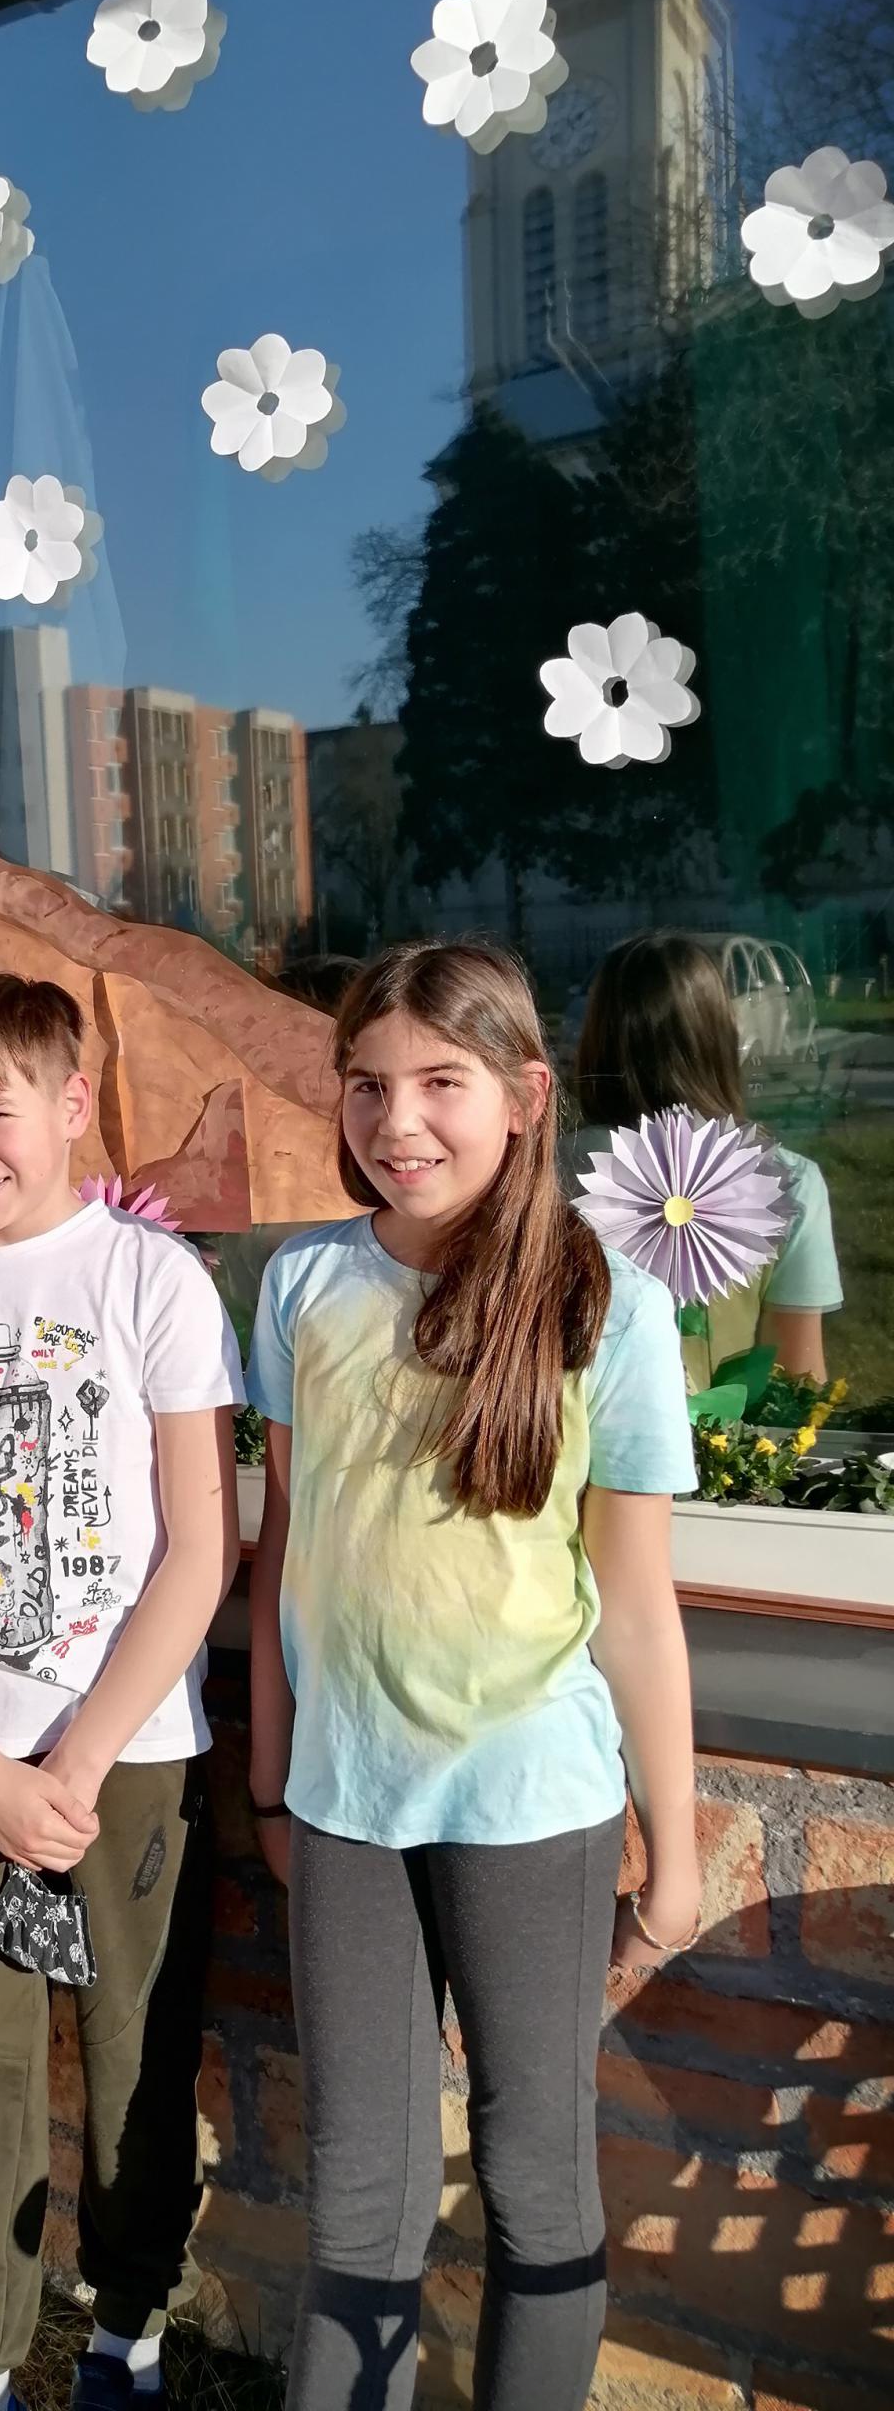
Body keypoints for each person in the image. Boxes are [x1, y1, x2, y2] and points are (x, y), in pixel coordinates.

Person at [245, 942, 700, 2411]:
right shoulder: (305, 1284)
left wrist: (677, 1851)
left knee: (533, 2176)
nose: (399, 1122)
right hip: (344, 1808)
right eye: (367, 1085)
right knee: (358, 2196)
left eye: (441, 1082)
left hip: (534, 1806)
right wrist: (271, 1779)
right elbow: (285, 1550)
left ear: (525, 1094)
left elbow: (636, 1607)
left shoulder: (607, 1307)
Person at [0, 973, 243, 2411]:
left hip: (125, 1761)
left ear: (73, 1106)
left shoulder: (153, 1283)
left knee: (140, 2062)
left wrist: (72, 1768)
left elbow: (202, 1546)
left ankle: (129, 2339)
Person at [570, 931, 842, 1386]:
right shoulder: (791, 1182)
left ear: (596, 1038)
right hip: (730, 1430)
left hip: (574, 1432)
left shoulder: (537, 1175)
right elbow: (797, 1379)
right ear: (721, 1038)